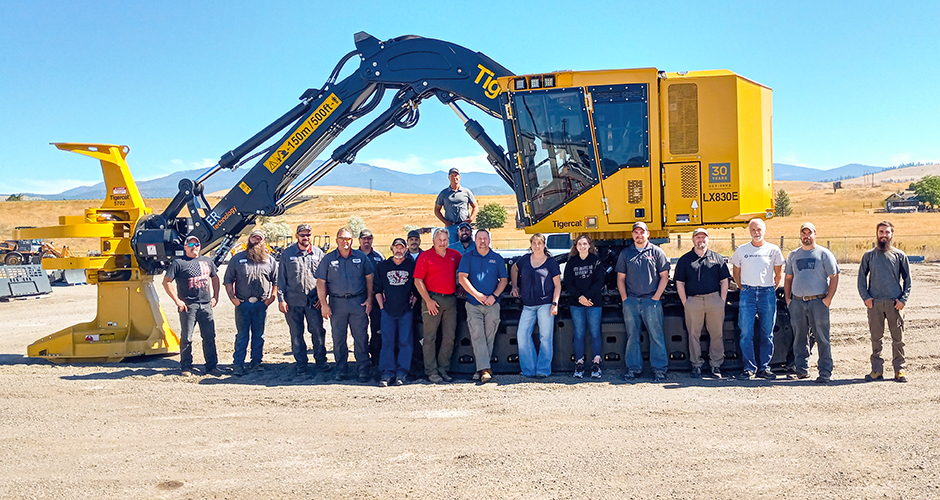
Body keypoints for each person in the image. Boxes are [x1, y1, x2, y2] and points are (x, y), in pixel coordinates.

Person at [316, 227, 375, 382]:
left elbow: (370, 278)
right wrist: (324, 304)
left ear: (352, 241)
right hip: (337, 304)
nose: (345, 242)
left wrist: (370, 299)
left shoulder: (361, 257)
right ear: (337, 241)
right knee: (339, 338)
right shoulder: (328, 259)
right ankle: (341, 370)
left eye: (348, 239)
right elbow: (321, 282)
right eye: (342, 239)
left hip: (358, 302)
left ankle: (363, 370)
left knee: (361, 337)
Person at [783, 222, 840, 384]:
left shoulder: (824, 254)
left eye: (809, 233)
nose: (806, 236)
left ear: (815, 234)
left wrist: (828, 299)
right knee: (800, 337)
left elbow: (834, 277)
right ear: (800, 235)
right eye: (803, 233)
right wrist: (788, 299)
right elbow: (788, 278)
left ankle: (825, 371)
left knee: (822, 337)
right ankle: (801, 369)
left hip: (818, 302)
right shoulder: (794, 255)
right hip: (798, 303)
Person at [858, 220, 912, 383]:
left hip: (894, 304)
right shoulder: (869, 256)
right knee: (876, 338)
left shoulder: (899, 255)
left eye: (887, 232)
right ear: (877, 234)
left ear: (892, 234)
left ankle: (900, 369)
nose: (884, 235)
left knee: (898, 339)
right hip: (874, 304)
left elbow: (908, 280)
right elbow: (861, 279)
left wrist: (903, 300)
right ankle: (876, 370)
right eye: (881, 232)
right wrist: (866, 298)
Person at [730, 218, 784, 380]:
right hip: (747, 293)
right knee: (746, 332)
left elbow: (778, 273)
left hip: (767, 293)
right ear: (749, 231)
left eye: (759, 229)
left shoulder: (773, 250)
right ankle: (749, 367)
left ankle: (764, 367)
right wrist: (742, 287)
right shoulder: (741, 250)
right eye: (753, 230)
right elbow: (736, 273)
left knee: (767, 333)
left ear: (765, 230)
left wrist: (770, 288)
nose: (756, 232)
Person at [616, 222, 670, 382]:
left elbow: (664, 277)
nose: (639, 235)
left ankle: (659, 370)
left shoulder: (657, 252)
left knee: (656, 336)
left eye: (642, 232)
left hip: (651, 301)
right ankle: (633, 369)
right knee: (632, 336)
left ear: (648, 234)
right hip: (631, 302)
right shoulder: (626, 254)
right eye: (636, 233)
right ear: (632, 235)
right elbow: (620, 279)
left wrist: (656, 298)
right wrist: (625, 299)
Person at [675, 228, 730, 379]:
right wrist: (685, 301)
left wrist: (722, 300)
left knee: (716, 334)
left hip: (714, 300)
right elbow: (679, 282)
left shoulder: (717, 258)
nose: (701, 240)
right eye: (698, 237)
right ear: (693, 240)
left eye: (704, 237)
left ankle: (716, 365)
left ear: (708, 239)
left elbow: (725, 280)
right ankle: (696, 365)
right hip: (694, 301)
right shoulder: (685, 260)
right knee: (693, 335)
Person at [162, 235, 221, 377]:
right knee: (187, 337)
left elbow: (215, 278)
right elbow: (166, 282)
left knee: (209, 337)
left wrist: (216, 296)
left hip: (206, 305)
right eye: (191, 244)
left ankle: (211, 366)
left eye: (197, 244)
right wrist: (177, 300)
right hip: (188, 306)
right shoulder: (179, 263)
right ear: (185, 247)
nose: (194, 247)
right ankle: (186, 367)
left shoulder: (207, 261)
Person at [278, 223, 332, 377]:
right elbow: (281, 278)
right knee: (296, 333)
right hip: (293, 301)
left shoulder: (318, 253)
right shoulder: (287, 254)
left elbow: (325, 279)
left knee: (318, 331)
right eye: (302, 235)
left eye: (308, 234)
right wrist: (281, 299)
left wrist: (323, 299)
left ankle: (321, 361)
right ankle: (301, 363)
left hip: (313, 302)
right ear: (297, 236)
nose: (305, 237)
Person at [223, 229, 278, 376]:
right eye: (254, 238)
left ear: (263, 241)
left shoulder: (270, 260)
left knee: (259, 335)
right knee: (242, 335)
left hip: (261, 304)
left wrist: (272, 297)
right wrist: (233, 298)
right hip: (243, 304)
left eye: (259, 239)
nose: (256, 241)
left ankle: (256, 362)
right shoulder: (237, 259)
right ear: (249, 239)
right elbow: (228, 280)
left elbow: (276, 281)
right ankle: (238, 364)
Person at [457, 229, 508, 384]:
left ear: (489, 240)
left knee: (489, 337)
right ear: (475, 240)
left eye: (485, 238)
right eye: (479, 238)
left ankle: (480, 369)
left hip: (493, 304)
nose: (482, 241)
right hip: (473, 304)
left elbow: (503, 280)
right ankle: (485, 370)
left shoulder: (497, 258)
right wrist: (477, 295)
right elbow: (462, 278)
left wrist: (494, 296)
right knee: (477, 335)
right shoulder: (467, 257)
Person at [414, 228, 462, 383]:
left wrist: (461, 287)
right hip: (432, 299)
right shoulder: (425, 256)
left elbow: (463, 273)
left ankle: (443, 369)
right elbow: (418, 280)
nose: (442, 243)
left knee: (449, 337)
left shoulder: (455, 255)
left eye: (445, 240)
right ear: (433, 241)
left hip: (450, 300)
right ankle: (431, 371)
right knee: (430, 338)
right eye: (439, 240)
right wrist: (428, 301)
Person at [511, 233, 561, 378]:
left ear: (544, 245)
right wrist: (515, 286)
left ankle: (543, 370)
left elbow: (557, 285)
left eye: (540, 243)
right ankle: (528, 369)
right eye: (534, 243)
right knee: (522, 335)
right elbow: (514, 268)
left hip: (546, 304)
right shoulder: (525, 259)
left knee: (545, 337)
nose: (537, 246)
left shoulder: (551, 262)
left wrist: (555, 303)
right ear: (531, 244)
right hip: (528, 304)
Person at [374, 238, 416, 387]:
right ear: (391, 248)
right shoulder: (383, 266)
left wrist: (412, 304)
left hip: (405, 310)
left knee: (405, 342)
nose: (399, 250)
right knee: (387, 343)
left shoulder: (411, 265)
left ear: (405, 249)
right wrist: (381, 307)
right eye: (396, 247)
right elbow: (377, 289)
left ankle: (402, 372)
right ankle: (386, 373)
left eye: (402, 248)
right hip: (388, 311)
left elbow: (416, 288)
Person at [563, 234, 605, 379]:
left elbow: (599, 281)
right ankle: (579, 363)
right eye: (579, 244)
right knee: (579, 334)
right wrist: (580, 297)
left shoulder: (596, 261)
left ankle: (596, 363)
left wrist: (587, 297)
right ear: (576, 246)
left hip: (594, 303)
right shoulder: (571, 262)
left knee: (595, 333)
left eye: (585, 244)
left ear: (589, 245)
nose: (582, 246)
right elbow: (568, 283)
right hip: (577, 304)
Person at [358, 228, 385, 376]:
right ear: (359, 240)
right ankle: (362, 359)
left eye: (369, 239)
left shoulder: (379, 257)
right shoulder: (354, 255)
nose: (366, 241)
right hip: (359, 298)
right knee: (361, 331)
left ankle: (376, 357)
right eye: (364, 239)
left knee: (377, 330)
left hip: (376, 299)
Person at [435, 167, 477, 244]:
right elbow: (436, 210)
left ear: (459, 177)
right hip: (451, 226)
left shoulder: (466, 192)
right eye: (452, 175)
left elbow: (475, 207)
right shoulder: (443, 193)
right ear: (449, 178)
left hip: (464, 226)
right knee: (452, 249)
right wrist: (445, 222)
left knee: (467, 246)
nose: (454, 177)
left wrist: (471, 219)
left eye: (456, 175)